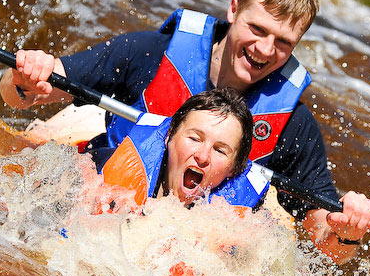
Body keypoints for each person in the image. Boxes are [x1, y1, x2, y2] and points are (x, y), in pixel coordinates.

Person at [1, 0, 370, 263]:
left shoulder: (293, 123)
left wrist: (347, 230)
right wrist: (26, 75)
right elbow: (23, 94)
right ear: (234, 10)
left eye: (283, 42)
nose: (265, 50)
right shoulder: (151, 53)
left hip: (191, 251)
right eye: (257, 29)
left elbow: (324, 238)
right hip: (107, 207)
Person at [100, 87, 262, 210]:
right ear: (169, 136)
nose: (203, 157)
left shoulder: (249, 224)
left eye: (219, 150)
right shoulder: (99, 168)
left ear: (234, 168)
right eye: (194, 139)